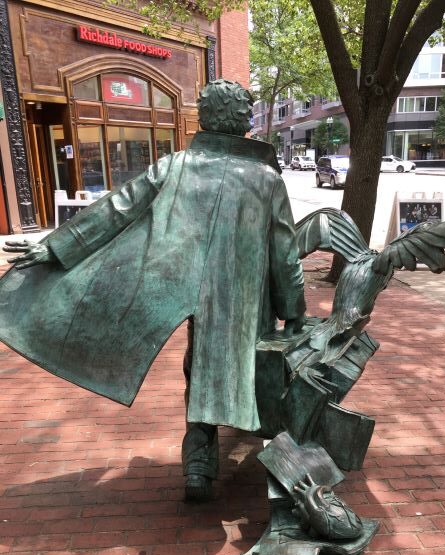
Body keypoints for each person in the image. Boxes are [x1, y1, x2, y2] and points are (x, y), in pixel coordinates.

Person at [0, 79, 306, 500]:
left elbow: (116, 208)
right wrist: (294, 309)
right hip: (243, 297)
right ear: (239, 121)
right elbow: (284, 252)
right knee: (248, 366)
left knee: (200, 366)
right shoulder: (266, 179)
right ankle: (271, 449)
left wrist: (57, 246)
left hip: (183, 286)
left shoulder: (175, 166)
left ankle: (199, 465)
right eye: (247, 112)